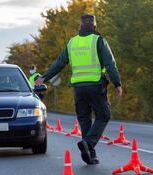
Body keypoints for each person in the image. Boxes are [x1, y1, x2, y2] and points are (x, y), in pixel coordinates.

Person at [35, 14, 123, 165]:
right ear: (95, 27)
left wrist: (45, 77)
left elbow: (59, 63)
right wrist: (117, 83)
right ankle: (88, 144)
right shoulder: (98, 40)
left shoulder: (72, 43)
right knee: (104, 115)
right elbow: (110, 63)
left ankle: (91, 155)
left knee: (84, 119)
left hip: (79, 88)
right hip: (95, 85)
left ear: (81, 26)